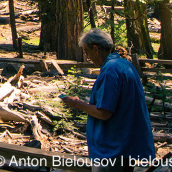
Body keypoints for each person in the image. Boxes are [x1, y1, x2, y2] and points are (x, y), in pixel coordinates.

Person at [61, 29, 154, 172]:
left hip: (112, 149)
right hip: (127, 145)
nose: (87, 57)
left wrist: (77, 104)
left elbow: (104, 112)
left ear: (96, 49)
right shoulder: (124, 64)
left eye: (87, 52)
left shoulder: (110, 70)